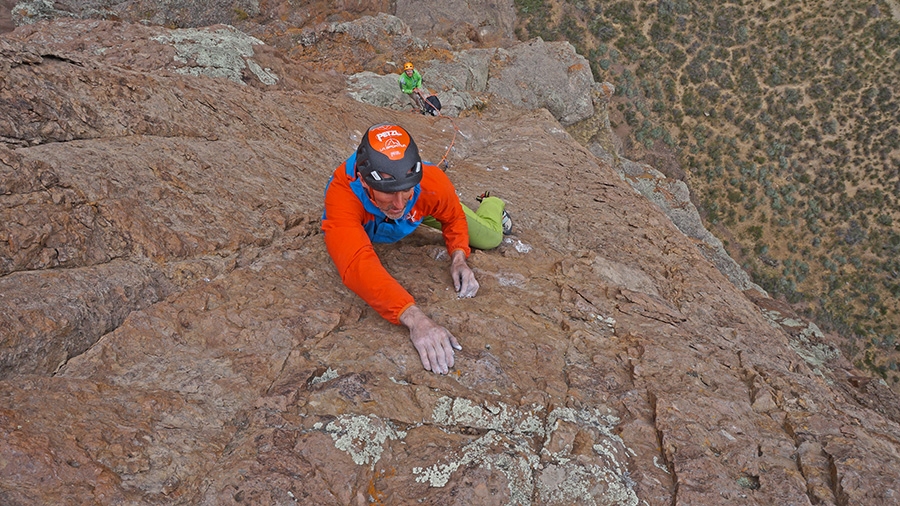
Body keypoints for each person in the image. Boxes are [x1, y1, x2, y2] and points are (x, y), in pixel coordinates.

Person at [322, 123, 512, 375]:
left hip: (419, 213)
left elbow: (453, 217)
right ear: (363, 181)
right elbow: (357, 263)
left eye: (405, 191)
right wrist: (415, 319)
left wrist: (458, 256)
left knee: (490, 237)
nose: (398, 203)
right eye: (387, 194)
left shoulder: (431, 184)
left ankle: (492, 202)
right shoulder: (342, 196)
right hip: (388, 217)